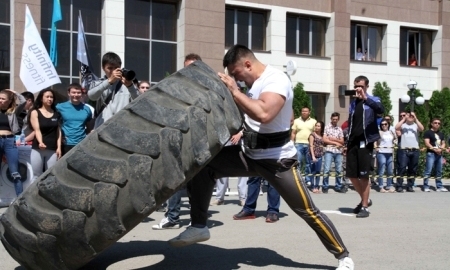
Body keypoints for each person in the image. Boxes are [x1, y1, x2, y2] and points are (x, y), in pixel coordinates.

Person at [168, 45, 354, 270]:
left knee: (308, 211)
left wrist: (235, 91)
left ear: (247, 64)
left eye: (236, 74)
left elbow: (264, 114)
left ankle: (343, 256)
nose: (236, 79)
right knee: (204, 164)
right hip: (249, 154)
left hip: (278, 162)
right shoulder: (254, 84)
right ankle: (199, 225)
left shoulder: (276, 79)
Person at [152, 53, 203, 230]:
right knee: (174, 181)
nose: (190, 70)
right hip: (177, 143)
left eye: (194, 66)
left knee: (195, 185)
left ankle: (196, 220)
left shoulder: (205, 90)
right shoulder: (177, 88)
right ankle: (172, 217)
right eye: (187, 66)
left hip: (196, 144)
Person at [346, 75, 384, 218]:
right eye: (356, 86)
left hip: (366, 141)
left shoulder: (373, 100)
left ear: (366, 86)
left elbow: (380, 110)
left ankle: (365, 206)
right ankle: (365, 199)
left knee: (364, 176)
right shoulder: (353, 103)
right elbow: (350, 123)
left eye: (361, 86)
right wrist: (346, 142)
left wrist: (365, 98)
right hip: (353, 142)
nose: (358, 89)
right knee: (351, 175)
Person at [88, 52, 139, 129]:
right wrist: (109, 81)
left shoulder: (127, 84)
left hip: (122, 127)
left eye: (116, 68)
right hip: (102, 127)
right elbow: (92, 96)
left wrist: (130, 86)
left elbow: (139, 101)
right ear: (103, 68)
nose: (113, 71)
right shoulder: (98, 83)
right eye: (110, 68)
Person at [29, 89, 61, 183]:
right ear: (41, 99)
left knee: (51, 175)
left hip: (52, 149)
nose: (50, 99)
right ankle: (32, 197)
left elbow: (58, 132)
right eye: (47, 97)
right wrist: (40, 142)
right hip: (38, 149)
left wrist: (59, 147)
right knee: (36, 176)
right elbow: (37, 130)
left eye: (51, 97)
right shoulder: (35, 112)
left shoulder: (56, 113)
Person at [0, 89, 27, 196]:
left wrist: (14, 92)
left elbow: (23, 101)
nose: (0, 100)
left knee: (15, 173)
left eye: (3, 99)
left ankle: (20, 199)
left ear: (9, 101)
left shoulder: (12, 112)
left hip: (9, 141)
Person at [56, 83, 93, 155]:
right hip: (65, 144)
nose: (76, 95)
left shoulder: (87, 109)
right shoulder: (59, 107)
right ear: (68, 93)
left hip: (81, 143)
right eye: (73, 92)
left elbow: (89, 128)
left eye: (78, 93)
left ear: (81, 94)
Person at [395, 112, 424, 192]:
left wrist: (416, 118)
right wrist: (404, 119)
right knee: (402, 168)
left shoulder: (415, 125)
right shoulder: (403, 125)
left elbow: (422, 129)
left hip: (415, 150)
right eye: (409, 116)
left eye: (412, 116)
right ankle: (399, 185)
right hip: (404, 149)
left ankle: (410, 185)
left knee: (413, 169)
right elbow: (396, 127)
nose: (410, 117)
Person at [291, 106, 316, 185]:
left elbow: (315, 133)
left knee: (308, 163)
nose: (304, 112)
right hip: (298, 144)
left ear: (309, 112)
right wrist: (292, 143)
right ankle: (298, 178)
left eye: (306, 111)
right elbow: (293, 133)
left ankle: (307, 179)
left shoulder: (313, 121)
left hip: (309, 144)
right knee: (298, 162)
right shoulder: (296, 121)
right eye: (303, 111)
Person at [322, 112, 345, 193]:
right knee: (327, 169)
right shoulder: (327, 127)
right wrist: (336, 143)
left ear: (338, 119)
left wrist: (333, 139)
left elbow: (342, 141)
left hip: (338, 152)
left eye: (336, 119)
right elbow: (324, 140)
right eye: (333, 119)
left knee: (339, 170)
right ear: (331, 119)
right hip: (329, 150)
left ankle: (338, 186)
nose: (334, 120)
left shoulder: (339, 129)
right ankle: (325, 186)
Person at [423, 118, 447, 192]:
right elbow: (427, 143)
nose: (437, 124)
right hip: (431, 153)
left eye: (439, 123)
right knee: (428, 170)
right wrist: (435, 149)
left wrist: (441, 149)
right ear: (432, 124)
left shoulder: (441, 134)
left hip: (439, 154)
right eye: (435, 123)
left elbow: (443, 143)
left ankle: (439, 186)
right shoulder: (428, 132)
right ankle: (426, 186)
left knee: (439, 171)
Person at [374, 119, 396, 192]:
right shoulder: (379, 132)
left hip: (389, 152)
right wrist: (376, 147)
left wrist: (394, 144)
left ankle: (389, 186)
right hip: (381, 152)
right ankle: (381, 186)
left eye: (385, 124)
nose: (384, 126)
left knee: (390, 170)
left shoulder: (391, 132)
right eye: (382, 124)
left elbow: (395, 139)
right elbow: (375, 141)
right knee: (382, 168)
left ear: (388, 125)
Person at [308, 121, 325, 193]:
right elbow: (311, 146)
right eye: (316, 126)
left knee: (318, 172)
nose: (317, 127)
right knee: (312, 171)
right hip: (313, 155)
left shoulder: (322, 135)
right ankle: (312, 186)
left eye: (319, 126)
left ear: (321, 128)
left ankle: (317, 186)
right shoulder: (312, 135)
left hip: (320, 155)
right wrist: (313, 156)